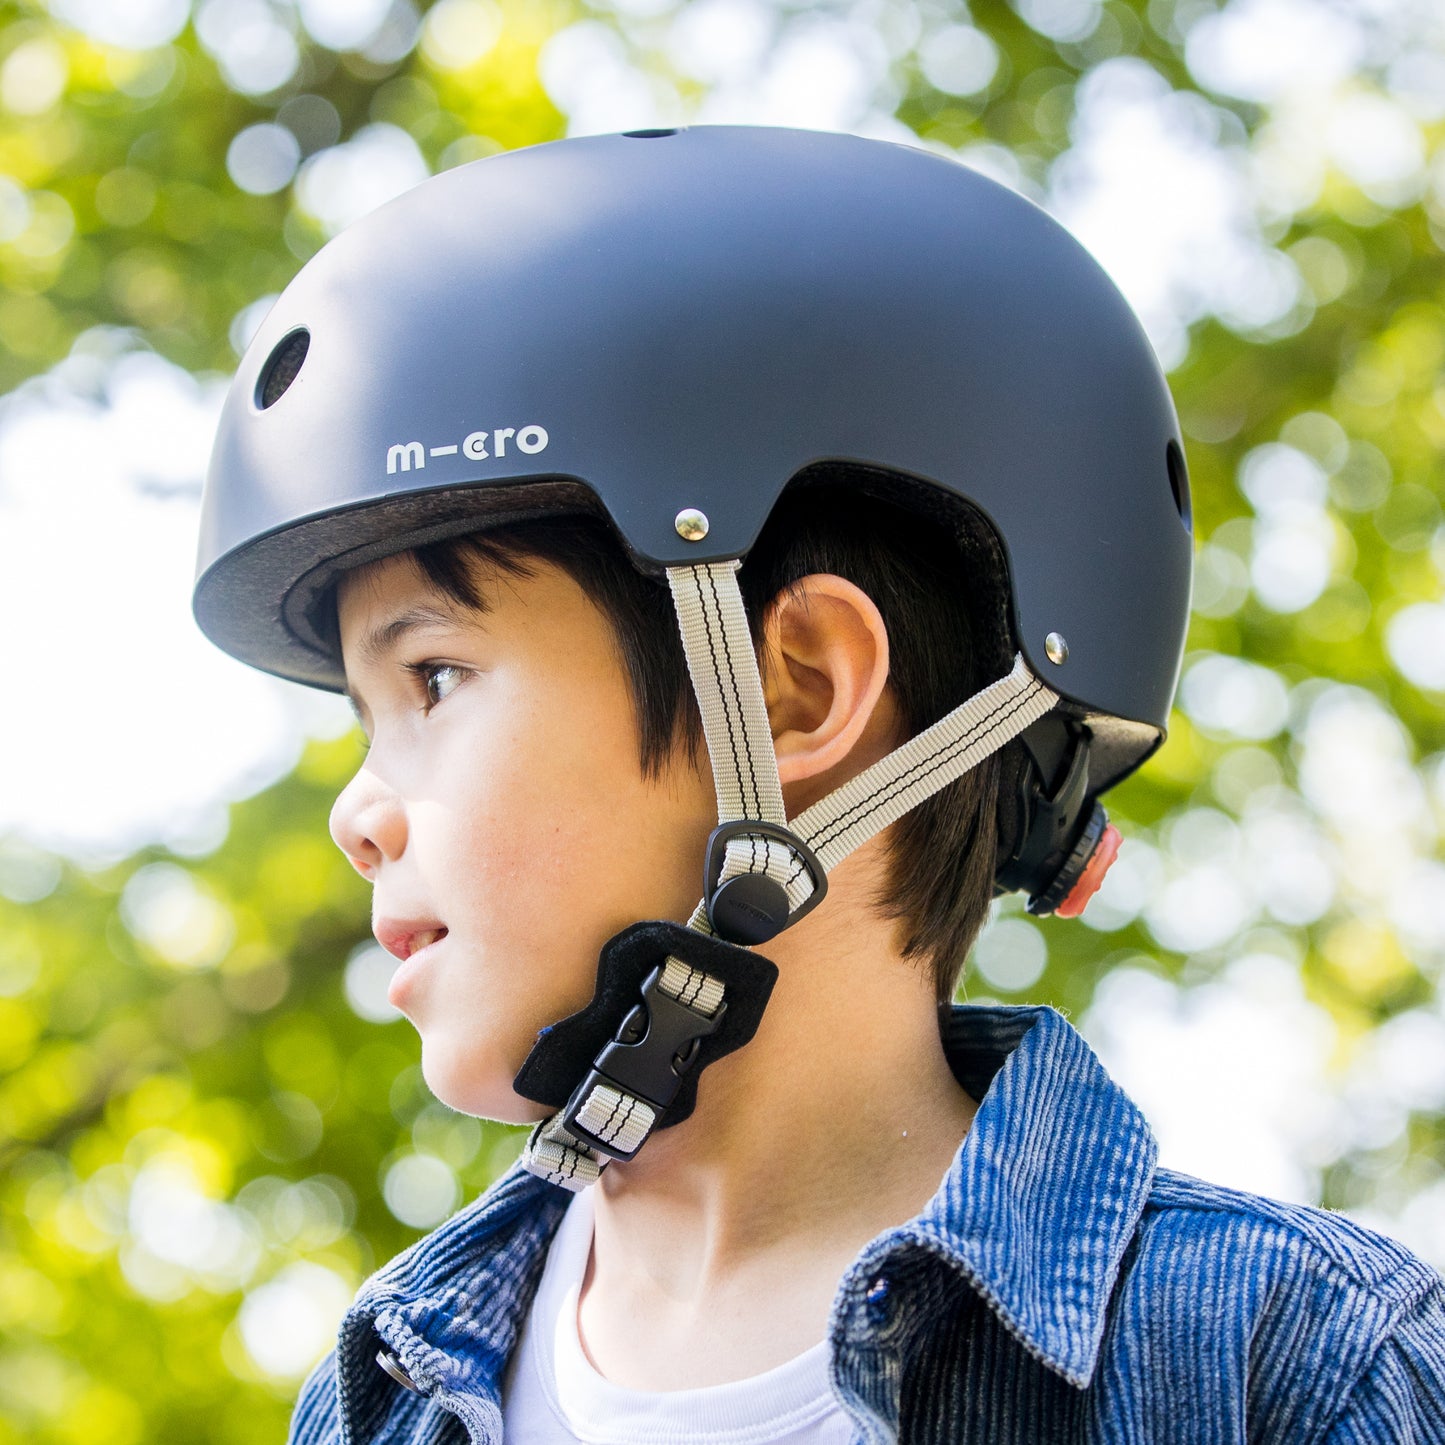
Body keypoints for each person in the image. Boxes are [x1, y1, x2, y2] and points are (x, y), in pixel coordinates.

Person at [194, 127, 1444, 1444]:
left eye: (434, 681)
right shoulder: (377, 1395)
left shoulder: (1292, 1366)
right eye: (360, 715)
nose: (358, 810)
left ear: (795, 689)